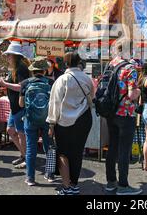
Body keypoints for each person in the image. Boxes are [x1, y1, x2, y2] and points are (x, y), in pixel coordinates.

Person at [47, 52, 94, 195]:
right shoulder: (87, 78)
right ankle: (74, 184)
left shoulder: (62, 79)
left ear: (66, 64)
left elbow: (54, 103)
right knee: (77, 153)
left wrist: (51, 123)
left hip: (64, 121)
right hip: (84, 119)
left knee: (63, 153)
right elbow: (92, 98)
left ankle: (66, 187)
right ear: (79, 62)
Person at [105, 39, 142, 195]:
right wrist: (139, 91)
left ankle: (111, 182)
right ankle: (123, 185)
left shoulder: (110, 65)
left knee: (112, 147)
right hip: (125, 113)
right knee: (124, 150)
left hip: (110, 112)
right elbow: (132, 94)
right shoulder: (130, 68)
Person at [19, 57, 54, 186]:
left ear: (33, 71)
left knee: (31, 148)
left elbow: (21, 104)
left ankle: (30, 178)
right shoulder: (51, 83)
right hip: (47, 119)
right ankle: (50, 175)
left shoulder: (25, 83)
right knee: (49, 147)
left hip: (30, 119)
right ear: (44, 70)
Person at [0, 42, 30, 169]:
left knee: (21, 133)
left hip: (20, 106)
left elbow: (21, 87)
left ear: (14, 56)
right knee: (11, 130)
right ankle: (24, 155)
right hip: (15, 106)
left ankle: (26, 157)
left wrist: (4, 84)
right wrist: (4, 84)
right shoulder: (17, 67)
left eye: (9, 55)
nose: (7, 57)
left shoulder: (21, 67)